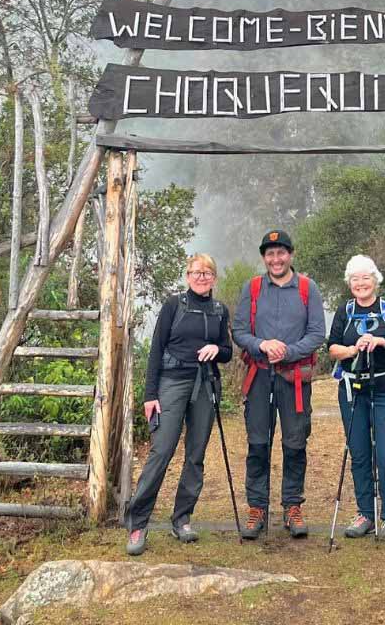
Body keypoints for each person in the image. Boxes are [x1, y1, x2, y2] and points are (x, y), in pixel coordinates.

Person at [125, 253, 232, 555]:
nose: (201, 277)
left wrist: (217, 348)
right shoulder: (174, 305)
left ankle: (182, 519)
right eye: (196, 272)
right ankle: (137, 524)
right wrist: (150, 395)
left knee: (195, 454)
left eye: (207, 273)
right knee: (161, 452)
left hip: (206, 385)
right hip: (171, 384)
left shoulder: (219, 310)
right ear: (187, 276)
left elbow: (227, 352)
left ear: (214, 278)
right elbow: (156, 349)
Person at [232, 229, 326, 539]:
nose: (276, 258)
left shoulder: (308, 289)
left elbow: (316, 333)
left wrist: (287, 351)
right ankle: (257, 508)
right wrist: (262, 345)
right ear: (264, 258)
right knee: (258, 442)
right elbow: (240, 331)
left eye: (281, 252)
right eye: (270, 253)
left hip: (294, 378)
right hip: (259, 376)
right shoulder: (253, 287)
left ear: (291, 255)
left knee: (295, 442)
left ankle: (292, 506)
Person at [327, 254, 385, 547]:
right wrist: (352, 349)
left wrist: (381, 342)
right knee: (360, 454)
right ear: (349, 283)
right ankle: (365, 514)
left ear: (375, 280)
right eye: (355, 279)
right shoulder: (345, 310)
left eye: (365, 278)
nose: (361, 283)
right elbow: (332, 347)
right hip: (353, 391)